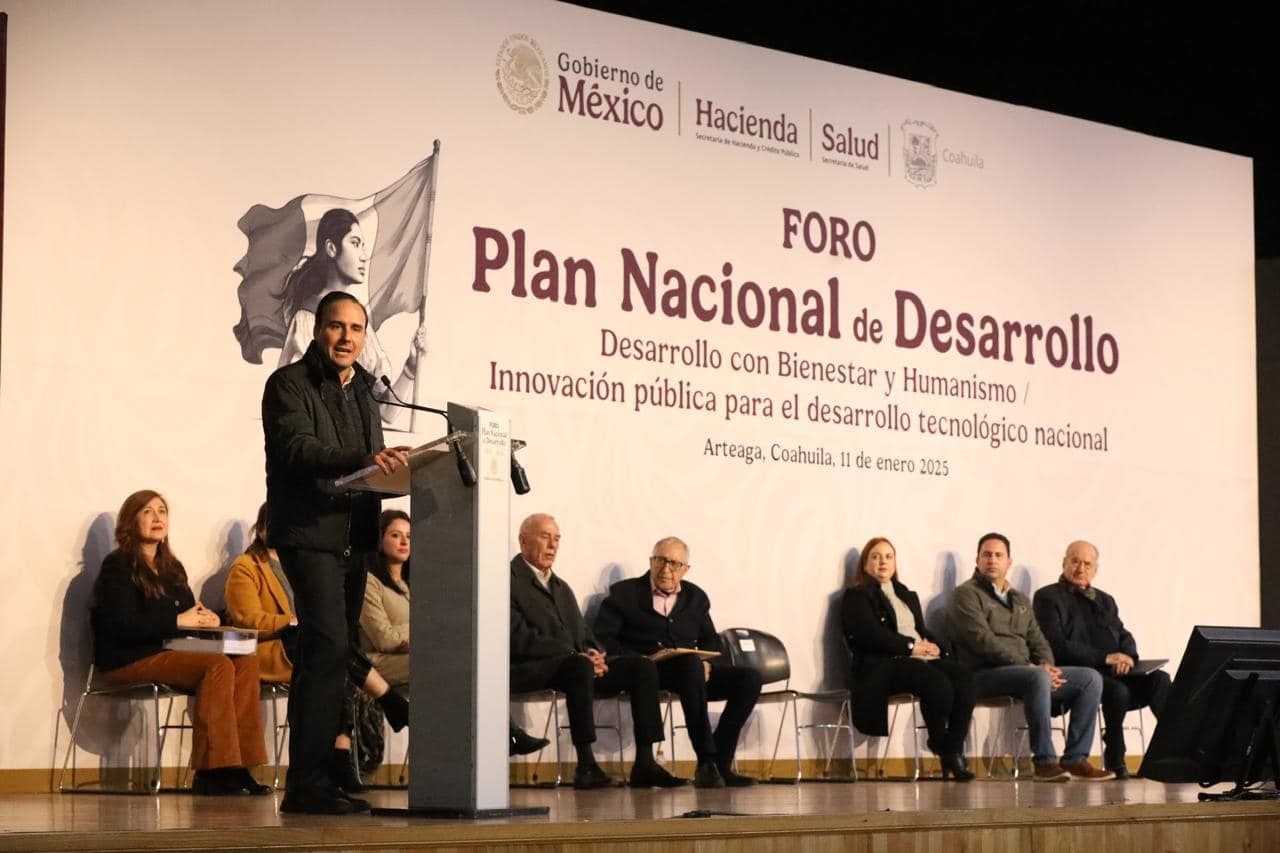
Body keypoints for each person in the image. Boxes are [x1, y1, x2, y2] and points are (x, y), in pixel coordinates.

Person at [262, 289, 412, 814]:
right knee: (325, 650)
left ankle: (325, 772)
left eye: (356, 328)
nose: (346, 337)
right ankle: (305, 784)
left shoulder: (368, 392)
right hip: (310, 534)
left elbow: (369, 469)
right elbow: (298, 450)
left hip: (355, 540)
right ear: (317, 330)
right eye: (336, 326)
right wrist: (367, 456)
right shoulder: (288, 385)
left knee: (334, 654)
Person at [91, 490, 270, 796]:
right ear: (130, 521)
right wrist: (178, 622)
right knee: (216, 665)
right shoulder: (117, 565)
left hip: (167, 655)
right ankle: (213, 771)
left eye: (162, 511)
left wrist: (208, 618)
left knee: (244, 661)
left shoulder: (172, 568)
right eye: (147, 512)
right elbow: (121, 625)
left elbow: (189, 613)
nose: (157, 517)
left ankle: (241, 767)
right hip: (127, 659)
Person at [224, 502, 410, 792]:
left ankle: (341, 752)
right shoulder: (246, 567)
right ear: (260, 529)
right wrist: (293, 620)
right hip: (272, 649)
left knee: (334, 653)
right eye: (274, 524)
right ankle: (384, 702)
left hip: (304, 644)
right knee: (328, 647)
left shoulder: (299, 563)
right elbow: (247, 618)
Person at [509, 514, 685, 789]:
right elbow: (518, 637)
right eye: (545, 537)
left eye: (557, 539)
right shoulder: (507, 581)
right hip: (529, 668)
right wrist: (575, 655)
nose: (552, 545)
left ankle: (646, 762)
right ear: (523, 540)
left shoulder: (560, 586)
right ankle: (586, 764)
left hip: (572, 664)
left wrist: (595, 653)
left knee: (641, 666)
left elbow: (583, 634)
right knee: (578, 667)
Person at [361, 508, 550, 757]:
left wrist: (423, 635)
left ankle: (497, 738)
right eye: (396, 535)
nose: (405, 542)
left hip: (417, 657)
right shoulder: (368, 582)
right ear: (380, 539)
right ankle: (500, 738)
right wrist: (426, 633)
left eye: (409, 535)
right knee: (451, 664)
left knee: (469, 662)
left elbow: (436, 627)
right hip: (378, 665)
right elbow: (383, 638)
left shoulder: (415, 582)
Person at [593, 536, 761, 788]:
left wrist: (708, 664)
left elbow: (711, 642)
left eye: (674, 564)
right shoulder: (625, 594)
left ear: (685, 569)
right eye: (660, 561)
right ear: (651, 562)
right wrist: (639, 659)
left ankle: (721, 764)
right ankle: (706, 759)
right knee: (689, 665)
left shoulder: (696, 598)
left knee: (749, 678)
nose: (666, 569)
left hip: (690, 675)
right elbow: (604, 637)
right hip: (645, 674)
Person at [947, 532, 1114, 781]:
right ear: (978, 560)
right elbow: (983, 641)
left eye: (998, 555)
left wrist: (1048, 666)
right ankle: (1044, 762)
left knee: (1090, 678)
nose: (992, 560)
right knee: (1037, 677)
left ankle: (1075, 758)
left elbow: (1038, 640)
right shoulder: (966, 594)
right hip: (982, 674)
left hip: (1026, 673)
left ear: (1008, 562)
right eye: (987, 555)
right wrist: (1032, 667)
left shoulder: (1019, 600)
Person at [1032, 540, 1171, 778]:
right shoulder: (1048, 597)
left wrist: (1127, 656)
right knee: (1117, 690)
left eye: (1087, 564)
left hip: (1114, 670)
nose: (1080, 568)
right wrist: (1105, 658)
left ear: (1095, 570)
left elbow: (1123, 633)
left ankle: (1171, 752)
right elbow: (1056, 644)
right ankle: (1116, 758)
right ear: (1064, 563)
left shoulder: (1105, 600)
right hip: (1080, 674)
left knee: (1160, 679)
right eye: (1075, 561)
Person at [841, 537, 976, 781]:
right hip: (883, 665)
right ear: (865, 564)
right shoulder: (857, 596)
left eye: (888, 557)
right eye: (875, 556)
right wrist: (911, 647)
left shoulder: (906, 594)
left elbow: (920, 629)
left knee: (965, 679)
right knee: (937, 682)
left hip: (916, 660)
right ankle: (939, 743)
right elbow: (870, 635)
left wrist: (936, 647)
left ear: (895, 563)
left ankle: (952, 750)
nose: (882, 561)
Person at [276, 208, 426, 424]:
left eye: (363, 246)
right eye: (355, 243)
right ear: (331, 248)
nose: (364, 256)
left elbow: (386, 412)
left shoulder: (362, 326)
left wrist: (411, 366)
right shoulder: (308, 318)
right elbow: (293, 406)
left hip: (359, 455)